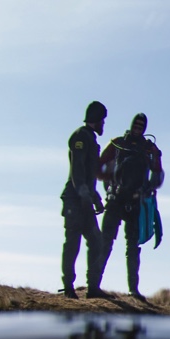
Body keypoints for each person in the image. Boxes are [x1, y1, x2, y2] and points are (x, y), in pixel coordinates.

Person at [91, 112, 165, 299]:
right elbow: (98, 167)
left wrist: (149, 188)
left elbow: (158, 173)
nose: (138, 128)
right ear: (131, 125)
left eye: (141, 126)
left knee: (133, 247)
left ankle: (133, 289)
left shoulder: (149, 148)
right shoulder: (117, 144)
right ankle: (93, 286)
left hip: (135, 201)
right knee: (105, 243)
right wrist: (110, 180)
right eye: (136, 125)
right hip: (116, 199)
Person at [60, 100, 107, 298]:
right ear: (96, 119)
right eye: (102, 120)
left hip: (85, 199)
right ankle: (68, 287)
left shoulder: (90, 138)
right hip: (75, 200)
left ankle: (93, 289)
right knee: (73, 243)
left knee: (97, 242)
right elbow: (77, 170)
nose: (103, 124)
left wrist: (95, 197)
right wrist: (84, 195)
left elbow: (89, 174)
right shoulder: (80, 136)